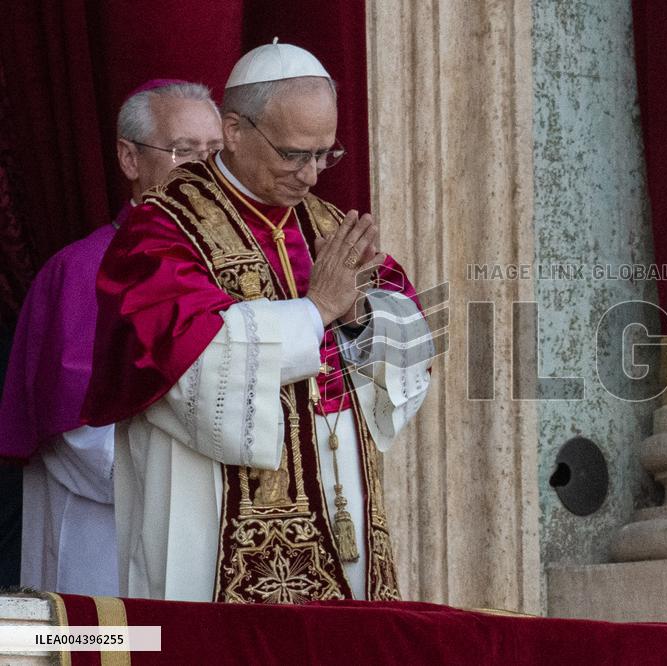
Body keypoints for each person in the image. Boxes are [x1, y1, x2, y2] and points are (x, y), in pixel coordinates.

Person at [81, 42, 432, 603]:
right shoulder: (165, 225)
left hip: (340, 503)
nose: (312, 176)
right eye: (294, 153)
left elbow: (411, 327)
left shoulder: (326, 223)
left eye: (325, 155)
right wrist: (314, 311)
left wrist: (359, 313)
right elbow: (183, 354)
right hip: (209, 506)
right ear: (235, 130)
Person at [0, 80, 223, 596]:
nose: (205, 172)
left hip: (212, 542)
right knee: (117, 649)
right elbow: (82, 436)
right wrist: (199, 485)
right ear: (129, 158)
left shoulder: (244, 270)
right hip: (106, 542)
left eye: (215, 153)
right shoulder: (82, 272)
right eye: (183, 152)